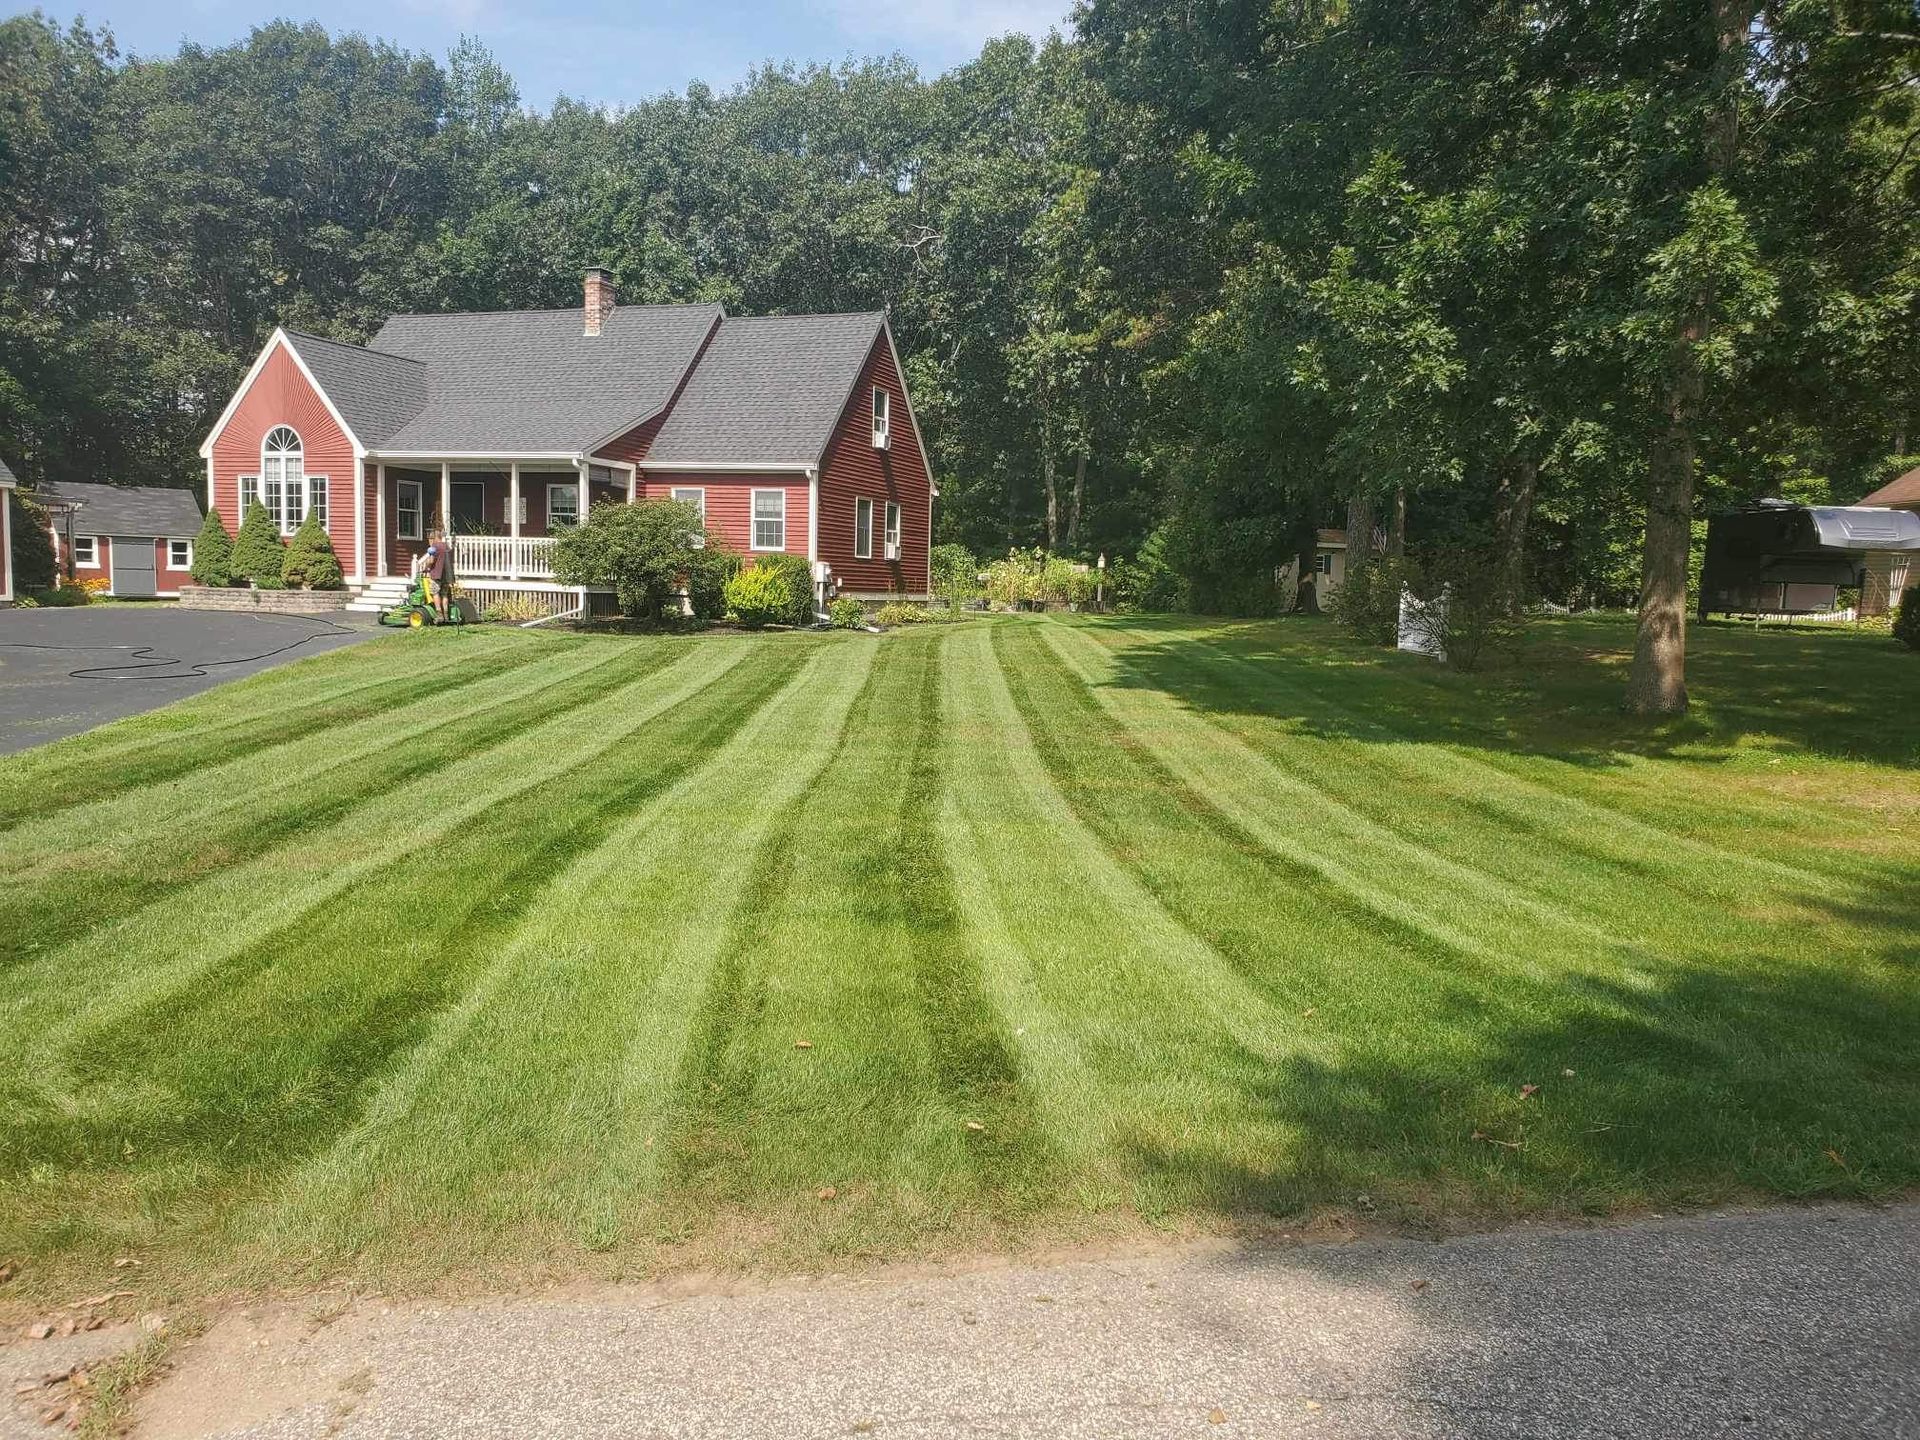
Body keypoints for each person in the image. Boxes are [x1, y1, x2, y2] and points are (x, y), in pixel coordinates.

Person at [420, 529, 453, 622]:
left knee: (435, 593)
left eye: (431, 538)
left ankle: (439, 615)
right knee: (444, 594)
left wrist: (425, 567)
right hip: (447, 575)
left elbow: (431, 561)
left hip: (436, 574)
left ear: (434, 538)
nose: (430, 540)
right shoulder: (446, 546)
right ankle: (446, 615)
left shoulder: (435, 547)